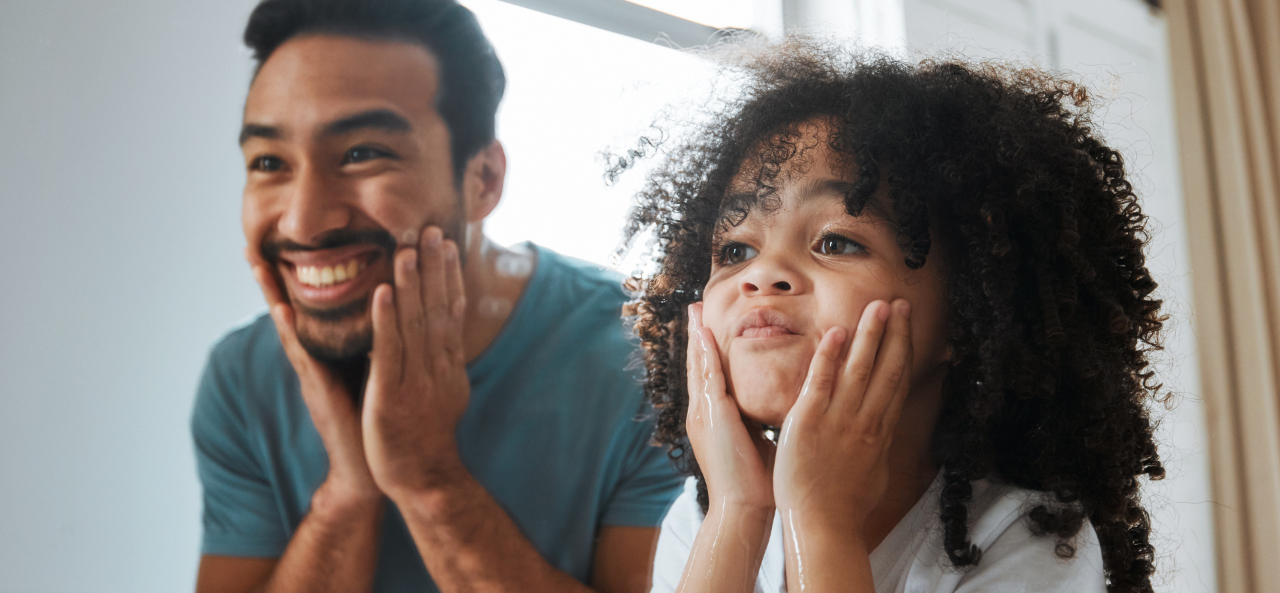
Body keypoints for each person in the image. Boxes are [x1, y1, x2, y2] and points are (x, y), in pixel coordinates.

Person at [619, 37, 1166, 593]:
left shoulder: (1023, 538)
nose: (761, 275)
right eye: (735, 250)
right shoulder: (703, 514)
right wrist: (737, 513)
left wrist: (821, 519)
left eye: (835, 241)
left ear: (964, 312)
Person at [190, 1, 684, 591]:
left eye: (361, 154)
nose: (304, 223)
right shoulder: (243, 376)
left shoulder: (648, 356)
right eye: (270, 162)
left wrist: (429, 479)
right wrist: (348, 490)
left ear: (483, 180)